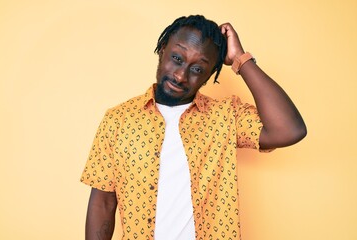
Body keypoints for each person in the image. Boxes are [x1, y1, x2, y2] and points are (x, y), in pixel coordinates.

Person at [80, 15, 306, 240]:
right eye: (177, 58)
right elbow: (103, 202)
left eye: (197, 69)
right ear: (162, 49)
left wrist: (241, 59)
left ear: (209, 76)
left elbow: (288, 130)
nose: (180, 76)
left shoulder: (225, 117)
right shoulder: (118, 120)